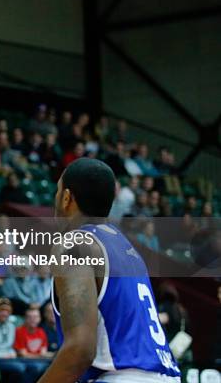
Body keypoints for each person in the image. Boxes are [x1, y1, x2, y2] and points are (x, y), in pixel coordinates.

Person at [38, 158, 180, 382]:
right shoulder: (127, 249)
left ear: (66, 198)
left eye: (57, 192)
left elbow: (80, 350)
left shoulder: (75, 243)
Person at [12, 308, 50, 382]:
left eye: (35, 317)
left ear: (39, 319)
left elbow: (44, 352)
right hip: (23, 361)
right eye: (30, 317)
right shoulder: (19, 331)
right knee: (35, 367)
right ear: (25, 319)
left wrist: (44, 355)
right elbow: (23, 354)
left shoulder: (41, 332)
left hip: (39, 361)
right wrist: (41, 355)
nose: (33, 319)